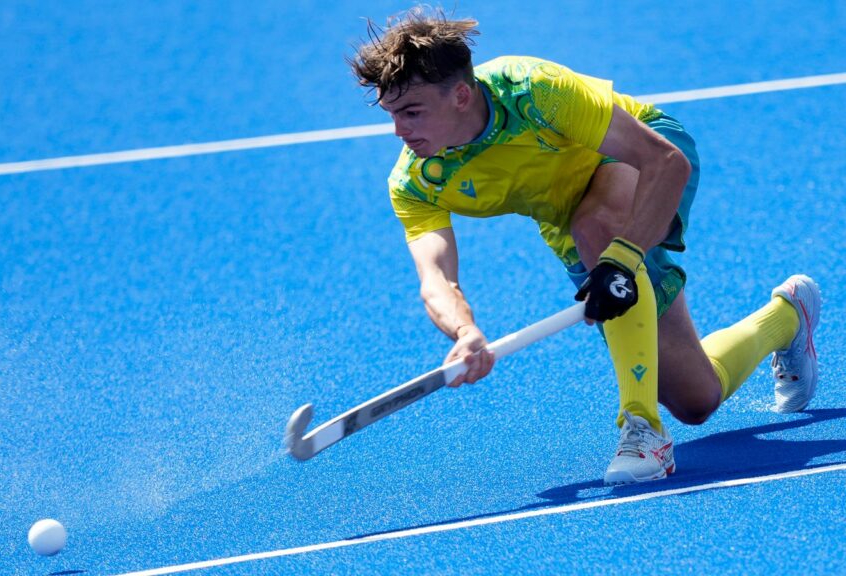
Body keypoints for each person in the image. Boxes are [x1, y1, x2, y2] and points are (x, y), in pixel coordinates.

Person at [348, 8, 821, 485]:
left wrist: (624, 256)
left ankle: (643, 429)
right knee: (696, 399)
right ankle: (788, 316)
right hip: (573, 225)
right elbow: (436, 279)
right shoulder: (415, 182)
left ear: (461, 96)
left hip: (643, 162)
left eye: (411, 112)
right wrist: (464, 330)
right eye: (392, 114)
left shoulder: (534, 91)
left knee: (597, 227)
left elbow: (666, 162)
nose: (399, 132)